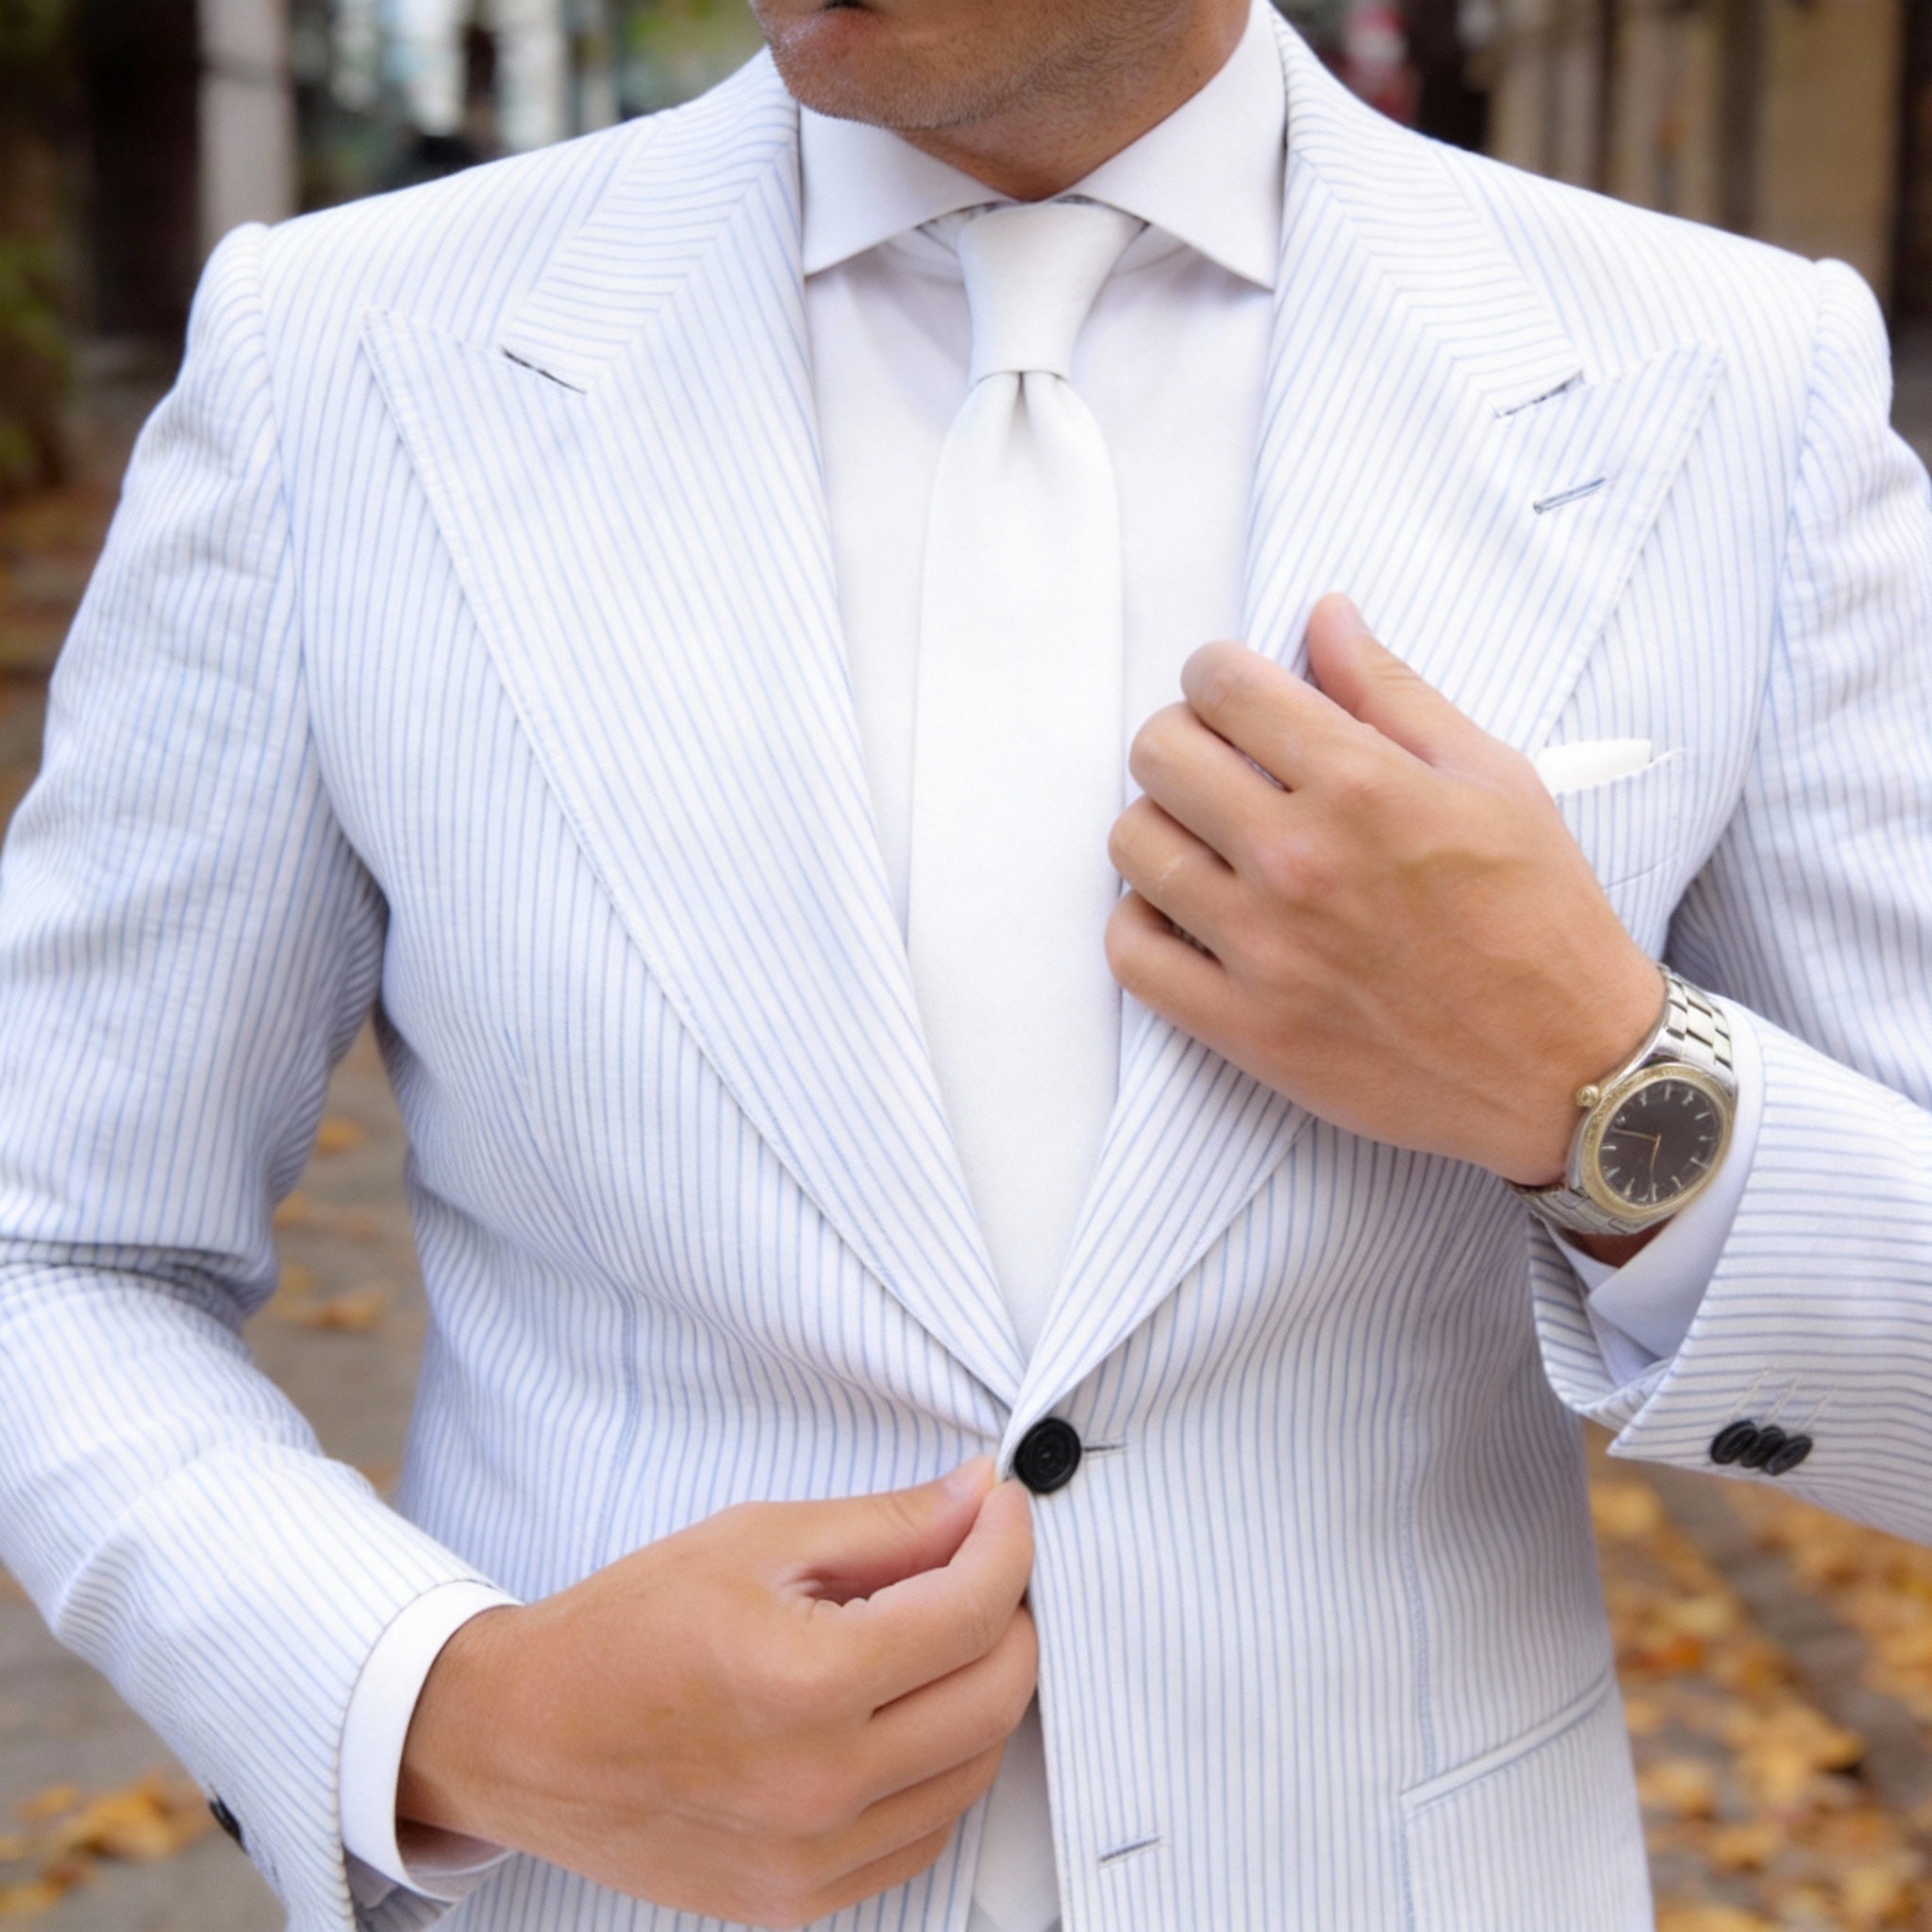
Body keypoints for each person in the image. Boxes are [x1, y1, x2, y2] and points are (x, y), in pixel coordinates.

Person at [1, 0, 1928, 1926]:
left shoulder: (1730, 387)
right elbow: (56, 1245)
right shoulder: (333, 363)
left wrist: (1603, 1083)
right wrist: (445, 1704)